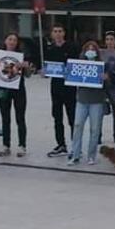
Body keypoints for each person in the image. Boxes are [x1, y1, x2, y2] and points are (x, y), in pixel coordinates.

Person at [69, 40, 108, 165]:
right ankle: (75, 154)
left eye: (93, 49)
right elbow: (72, 78)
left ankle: (91, 155)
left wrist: (106, 78)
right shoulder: (79, 64)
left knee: (95, 129)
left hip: (97, 101)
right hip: (82, 99)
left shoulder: (103, 65)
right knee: (77, 126)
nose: (90, 51)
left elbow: (109, 83)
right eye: (88, 49)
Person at [43, 24, 79, 158]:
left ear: (64, 33)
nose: (57, 34)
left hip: (69, 87)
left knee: (72, 118)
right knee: (57, 117)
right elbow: (47, 68)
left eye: (60, 31)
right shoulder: (50, 49)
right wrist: (44, 72)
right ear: (52, 34)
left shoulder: (72, 47)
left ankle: (76, 145)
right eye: (55, 31)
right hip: (56, 87)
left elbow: (76, 65)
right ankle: (61, 144)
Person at [0, 32, 32, 157]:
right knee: (5, 119)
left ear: (17, 43)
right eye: (9, 39)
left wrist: (25, 66)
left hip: (19, 90)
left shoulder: (22, 56)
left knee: (20, 118)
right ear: (5, 41)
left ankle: (22, 145)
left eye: (14, 40)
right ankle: (6, 145)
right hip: (4, 89)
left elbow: (28, 75)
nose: (12, 42)